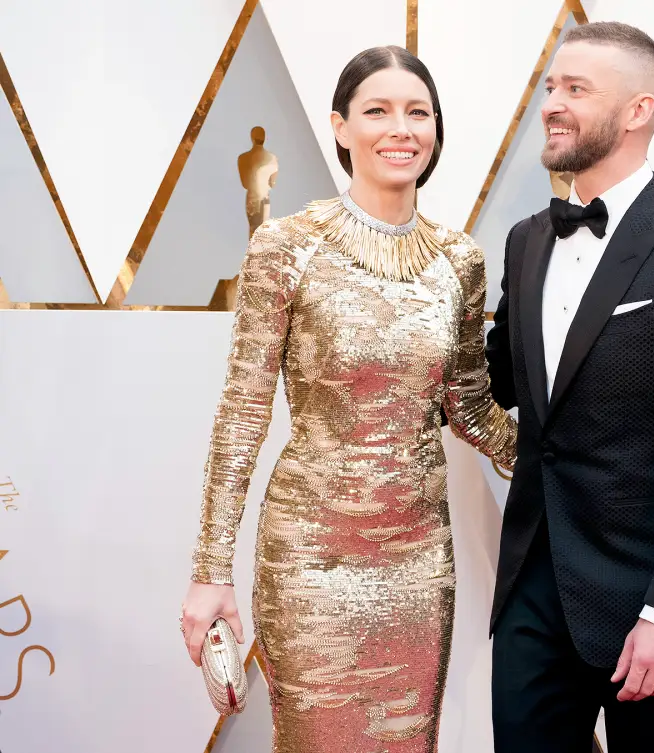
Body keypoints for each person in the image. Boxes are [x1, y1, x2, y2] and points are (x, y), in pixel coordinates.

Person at [180, 45, 517, 753]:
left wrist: (575, 452)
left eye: (418, 112)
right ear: (340, 127)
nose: (402, 128)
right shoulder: (286, 246)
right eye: (378, 111)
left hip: (419, 567)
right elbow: (242, 412)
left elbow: (469, 406)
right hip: (310, 560)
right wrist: (211, 571)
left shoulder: (461, 260)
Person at [486, 21, 654, 752]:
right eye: (551, 87)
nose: (553, 103)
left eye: (576, 89)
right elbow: (503, 379)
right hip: (532, 587)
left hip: (649, 597)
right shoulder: (526, 239)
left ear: (638, 110)